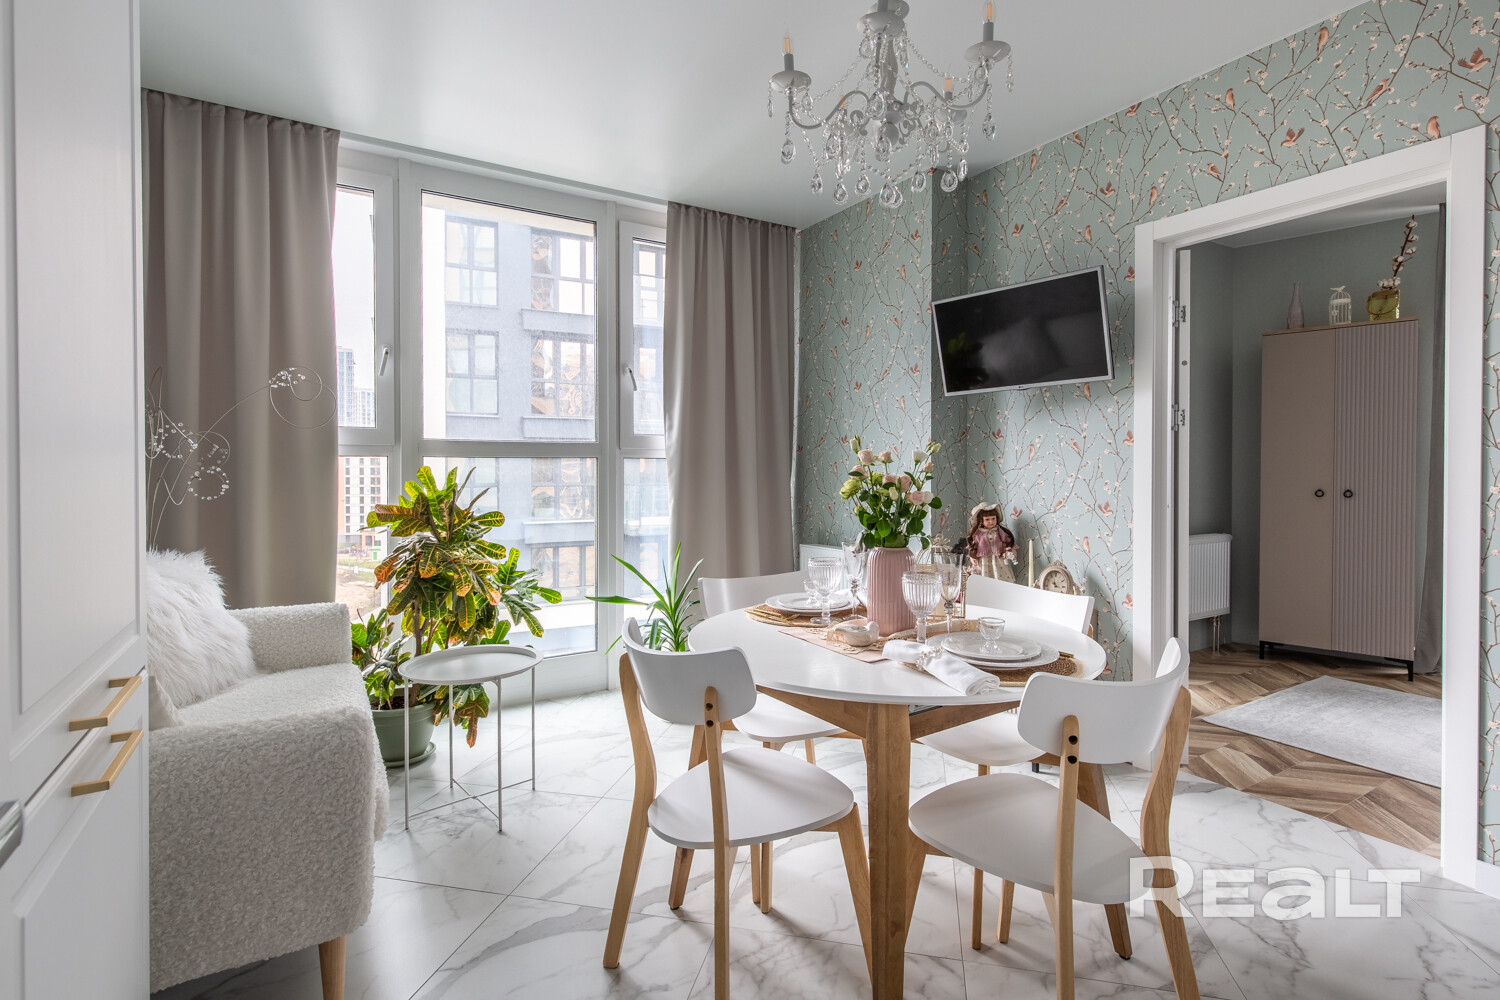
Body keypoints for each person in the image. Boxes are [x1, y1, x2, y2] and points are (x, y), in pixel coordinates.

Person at [966, 502, 1017, 582]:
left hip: (999, 561)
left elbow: (1009, 542)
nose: (991, 521)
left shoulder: (1000, 531)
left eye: (993, 518)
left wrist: (1012, 550)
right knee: (985, 581)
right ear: (981, 520)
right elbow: (972, 547)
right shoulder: (978, 534)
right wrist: (972, 558)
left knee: (1000, 580)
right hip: (983, 562)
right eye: (987, 519)